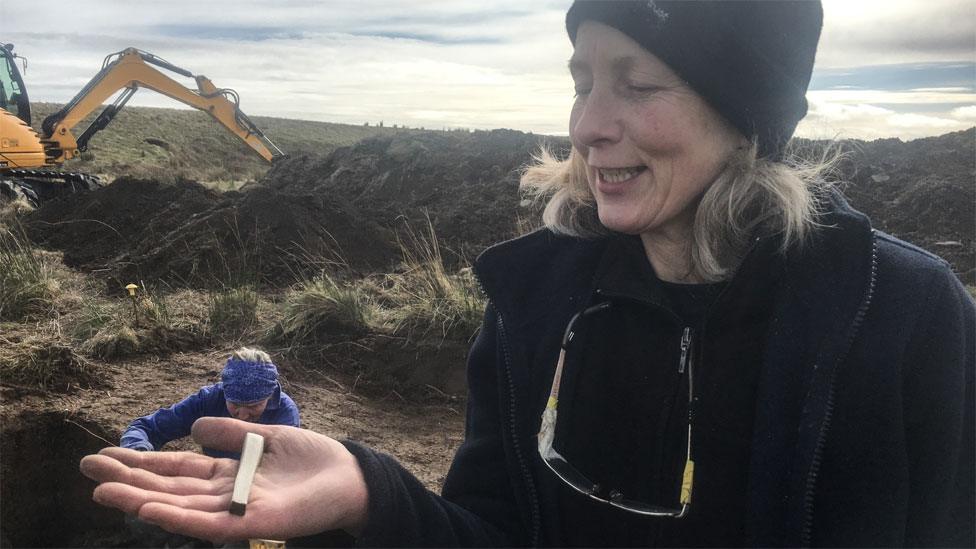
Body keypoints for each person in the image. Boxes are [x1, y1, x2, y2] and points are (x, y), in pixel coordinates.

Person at [80, 2, 974, 547]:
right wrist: (370, 492)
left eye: (639, 83)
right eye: (583, 78)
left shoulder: (897, 315)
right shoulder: (535, 300)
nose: (589, 123)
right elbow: (494, 534)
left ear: (746, 116)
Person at [119, 347, 301, 458]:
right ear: (224, 392)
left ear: (269, 396)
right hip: (210, 478)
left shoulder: (285, 413)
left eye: (254, 406)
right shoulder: (209, 400)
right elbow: (146, 428)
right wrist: (138, 451)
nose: (243, 416)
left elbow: (286, 465)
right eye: (235, 405)